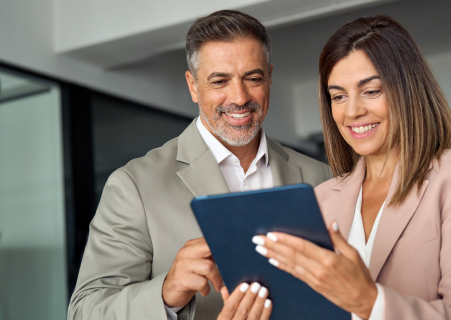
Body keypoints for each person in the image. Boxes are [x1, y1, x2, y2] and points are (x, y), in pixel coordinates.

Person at [67, 10, 332, 320]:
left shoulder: (321, 177)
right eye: (220, 80)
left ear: (270, 78)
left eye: (253, 78)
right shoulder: (134, 186)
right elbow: (84, 312)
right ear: (193, 86)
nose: (239, 97)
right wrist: (165, 293)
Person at [252, 15, 451, 320]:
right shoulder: (321, 199)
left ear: (407, 90)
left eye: (371, 91)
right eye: (338, 96)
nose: (353, 111)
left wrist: (370, 302)